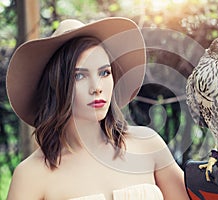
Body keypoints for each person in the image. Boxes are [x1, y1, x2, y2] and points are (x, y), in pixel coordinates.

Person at [6, 17, 190, 200]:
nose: (97, 87)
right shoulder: (31, 175)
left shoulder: (148, 145)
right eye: (79, 76)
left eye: (104, 73)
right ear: (56, 85)